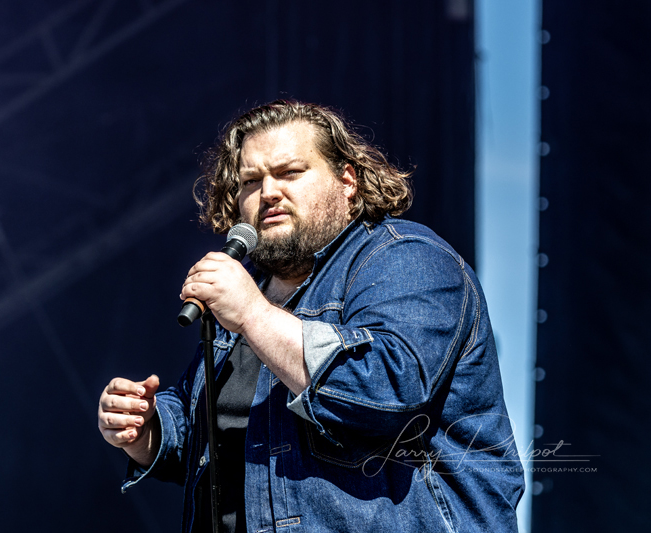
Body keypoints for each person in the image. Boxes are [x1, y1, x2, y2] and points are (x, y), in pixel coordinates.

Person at [98, 100, 524, 532]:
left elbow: (387, 393)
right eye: (251, 181)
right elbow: (213, 432)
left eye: (289, 173)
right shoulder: (251, 290)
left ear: (347, 181)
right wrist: (146, 428)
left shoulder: (408, 259)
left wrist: (252, 313)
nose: (268, 192)